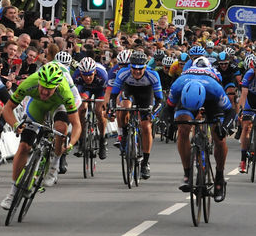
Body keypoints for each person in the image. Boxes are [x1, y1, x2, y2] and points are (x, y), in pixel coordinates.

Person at [0, 62, 81, 209]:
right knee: (24, 147)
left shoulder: (65, 91)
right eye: (42, 87)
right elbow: (7, 108)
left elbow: (76, 124)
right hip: (36, 105)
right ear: (38, 81)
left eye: (49, 89)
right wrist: (15, 124)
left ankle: (55, 165)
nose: (44, 92)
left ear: (56, 87)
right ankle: (12, 193)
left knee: (61, 129)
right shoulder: (29, 83)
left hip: (58, 106)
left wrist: (70, 144)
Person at [161, 56, 235, 202]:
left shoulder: (215, 88)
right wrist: (166, 123)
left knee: (219, 138)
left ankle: (219, 177)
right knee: (183, 128)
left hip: (211, 101)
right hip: (188, 97)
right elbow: (167, 108)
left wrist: (225, 127)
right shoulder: (178, 85)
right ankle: (187, 173)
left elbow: (230, 112)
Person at [109, 51, 163, 179]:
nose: (137, 72)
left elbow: (160, 100)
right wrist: (111, 110)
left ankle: (145, 163)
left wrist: (153, 113)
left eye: (140, 69)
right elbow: (113, 95)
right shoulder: (123, 73)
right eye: (134, 68)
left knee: (146, 127)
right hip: (129, 91)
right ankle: (123, 135)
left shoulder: (153, 75)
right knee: (124, 107)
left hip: (146, 94)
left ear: (145, 67)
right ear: (130, 66)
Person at [73, 56, 109, 160]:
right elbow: (73, 92)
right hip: (85, 88)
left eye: (90, 75)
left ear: (95, 72)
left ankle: (102, 140)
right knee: (82, 109)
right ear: (80, 73)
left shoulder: (103, 75)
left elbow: (107, 93)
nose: (88, 78)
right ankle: (81, 140)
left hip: (100, 89)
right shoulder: (76, 76)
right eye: (84, 75)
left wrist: (105, 105)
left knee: (99, 111)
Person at [236, 53, 256, 173]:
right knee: (246, 127)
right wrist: (242, 111)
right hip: (251, 99)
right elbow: (244, 95)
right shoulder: (249, 74)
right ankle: (243, 160)